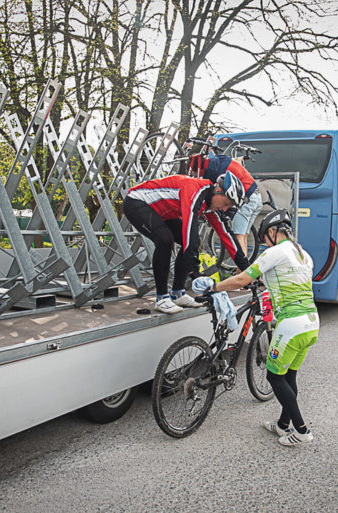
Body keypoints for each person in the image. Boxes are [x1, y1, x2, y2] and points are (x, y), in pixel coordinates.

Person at [209, 209, 318, 446]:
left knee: (274, 376)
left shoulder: (275, 252)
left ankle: (301, 430)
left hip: (292, 324)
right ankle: (282, 424)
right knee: (289, 375)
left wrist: (215, 287)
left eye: (264, 238)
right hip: (311, 323)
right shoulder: (304, 255)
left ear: (271, 232)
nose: (264, 243)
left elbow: (241, 279)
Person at [123, 171, 250, 314]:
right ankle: (161, 298)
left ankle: (177, 293)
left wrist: (249, 270)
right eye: (226, 203)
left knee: (189, 241)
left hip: (161, 212)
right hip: (137, 202)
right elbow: (190, 231)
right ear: (218, 191)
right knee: (166, 240)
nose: (225, 209)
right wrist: (195, 273)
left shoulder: (211, 205)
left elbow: (227, 237)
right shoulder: (195, 190)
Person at [189, 154, 262, 257]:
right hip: (257, 196)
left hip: (246, 198)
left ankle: (242, 270)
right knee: (243, 236)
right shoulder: (219, 159)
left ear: (199, 170)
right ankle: (245, 268)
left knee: (238, 237)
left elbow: (210, 194)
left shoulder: (210, 171)